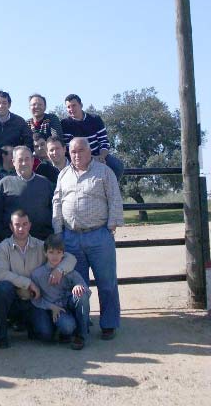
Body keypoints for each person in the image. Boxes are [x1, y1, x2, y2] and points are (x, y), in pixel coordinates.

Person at [53, 137, 124, 340]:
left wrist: (111, 225)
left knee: (107, 282)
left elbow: (114, 198)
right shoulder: (64, 174)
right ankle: (81, 325)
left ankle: (109, 323)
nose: (76, 155)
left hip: (98, 235)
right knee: (77, 286)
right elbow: (57, 202)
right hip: (71, 237)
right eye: (73, 152)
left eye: (81, 150)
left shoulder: (104, 172)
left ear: (90, 150)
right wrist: (58, 231)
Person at [0, 210, 76, 348]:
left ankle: (34, 325)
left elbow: (70, 258)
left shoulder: (40, 246)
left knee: (46, 335)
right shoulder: (2, 248)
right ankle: (1, 334)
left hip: (36, 301)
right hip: (14, 300)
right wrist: (29, 283)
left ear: (30, 225)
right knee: (3, 288)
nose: (21, 228)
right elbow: (0, 274)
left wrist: (59, 269)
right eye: (17, 225)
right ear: (11, 227)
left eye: (25, 224)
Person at [30, 234, 91, 350]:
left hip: (69, 303)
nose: (55, 256)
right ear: (45, 253)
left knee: (82, 294)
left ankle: (81, 335)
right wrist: (51, 307)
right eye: (51, 252)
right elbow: (35, 299)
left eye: (58, 252)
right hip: (53, 307)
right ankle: (63, 330)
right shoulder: (37, 274)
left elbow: (85, 289)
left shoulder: (69, 271)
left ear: (63, 254)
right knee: (66, 326)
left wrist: (78, 286)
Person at [0, 146, 54, 243]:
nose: (24, 163)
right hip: (12, 242)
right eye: (20, 160)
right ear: (13, 162)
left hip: (42, 241)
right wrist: (4, 236)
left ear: (33, 160)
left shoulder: (45, 183)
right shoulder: (4, 184)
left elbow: (54, 210)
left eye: (27, 159)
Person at [61, 93, 124, 180]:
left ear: (81, 105)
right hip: (77, 158)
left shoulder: (95, 119)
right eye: (68, 107)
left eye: (74, 105)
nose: (71, 109)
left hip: (98, 155)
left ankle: (109, 188)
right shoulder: (65, 124)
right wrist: (89, 159)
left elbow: (104, 142)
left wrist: (101, 157)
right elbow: (68, 148)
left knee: (117, 166)